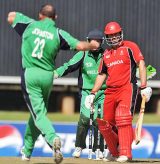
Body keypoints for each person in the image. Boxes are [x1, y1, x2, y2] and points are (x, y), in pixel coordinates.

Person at [7, 4, 100, 164]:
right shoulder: (58, 33)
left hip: (31, 74)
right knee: (37, 114)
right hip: (48, 77)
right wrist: (92, 45)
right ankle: (27, 151)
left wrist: (32, 23)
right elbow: (79, 46)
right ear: (55, 18)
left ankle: (53, 138)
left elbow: (11, 16)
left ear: (40, 15)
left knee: (38, 114)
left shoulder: (29, 25)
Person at [85, 22, 152, 162]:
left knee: (123, 117)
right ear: (107, 37)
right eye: (111, 35)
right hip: (110, 91)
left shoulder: (130, 47)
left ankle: (126, 153)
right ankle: (114, 151)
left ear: (120, 33)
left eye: (116, 34)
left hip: (127, 88)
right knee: (106, 124)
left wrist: (144, 86)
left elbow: (141, 63)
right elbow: (101, 75)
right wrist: (92, 93)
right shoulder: (106, 54)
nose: (114, 37)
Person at [54, 29, 107, 159]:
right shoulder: (83, 54)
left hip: (102, 92)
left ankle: (99, 149)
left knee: (98, 120)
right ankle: (79, 146)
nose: (95, 43)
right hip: (86, 91)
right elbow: (69, 66)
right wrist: (56, 73)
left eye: (98, 41)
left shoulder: (106, 55)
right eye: (93, 40)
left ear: (102, 42)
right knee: (84, 118)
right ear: (88, 41)